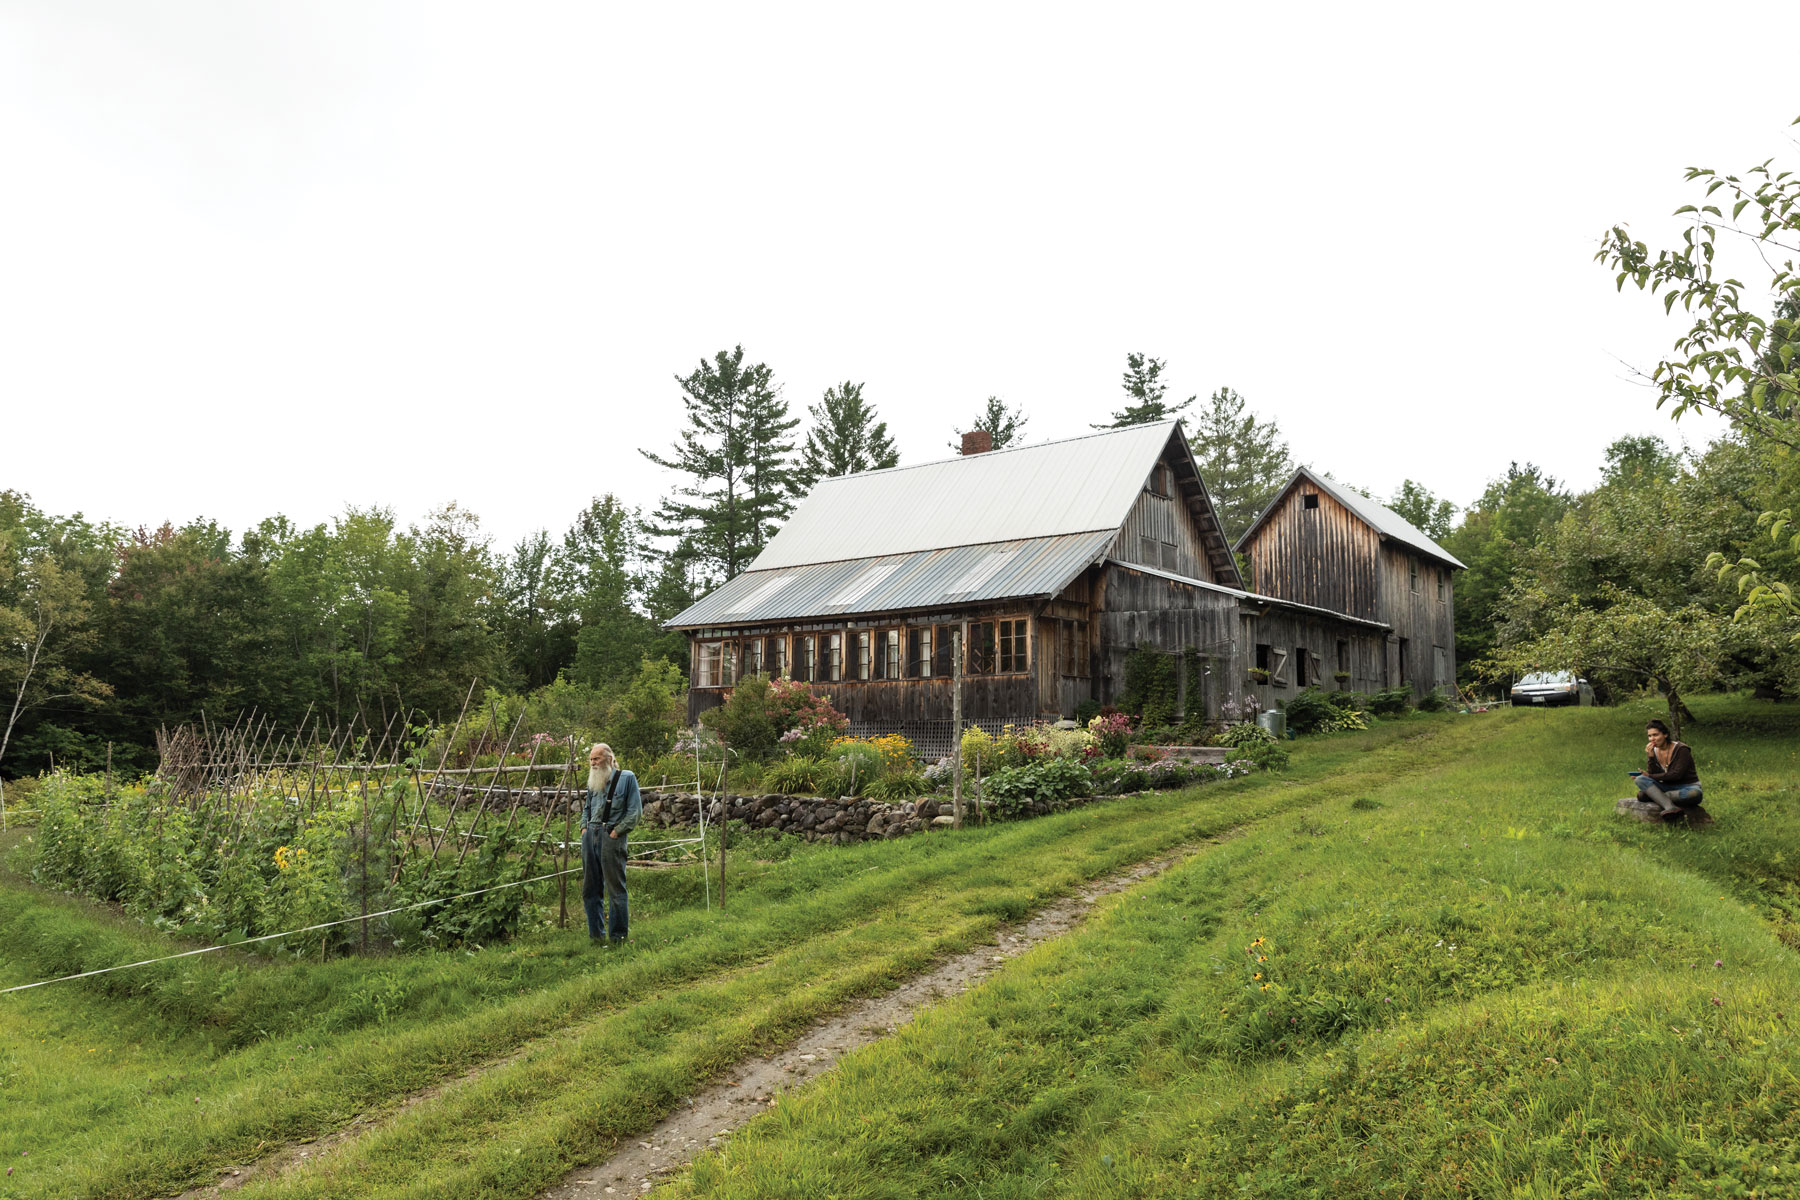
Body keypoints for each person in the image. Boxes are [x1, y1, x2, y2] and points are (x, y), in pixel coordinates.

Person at [581, 742, 641, 945]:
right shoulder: (593, 780)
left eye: (596, 759)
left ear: (608, 758)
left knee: (615, 889)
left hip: (611, 835)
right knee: (590, 889)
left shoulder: (627, 778)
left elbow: (635, 811)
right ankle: (596, 936)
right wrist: (584, 828)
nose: (592, 763)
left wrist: (617, 832)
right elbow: (587, 807)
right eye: (591, 759)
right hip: (590, 834)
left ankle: (618, 938)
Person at [1629, 719, 1703, 817]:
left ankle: (1655, 796)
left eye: (1655, 735)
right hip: (1666, 786)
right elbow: (1654, 774)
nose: (1652, 739)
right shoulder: (1654, 751)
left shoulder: (1681, 749)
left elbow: (1676, 775)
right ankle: (1670, 807)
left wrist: (1649, 776)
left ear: (1665, 734)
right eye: (1649, 736)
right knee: (1640, 779)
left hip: (1687, 787)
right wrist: (1651, 757)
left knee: (1694, 794)